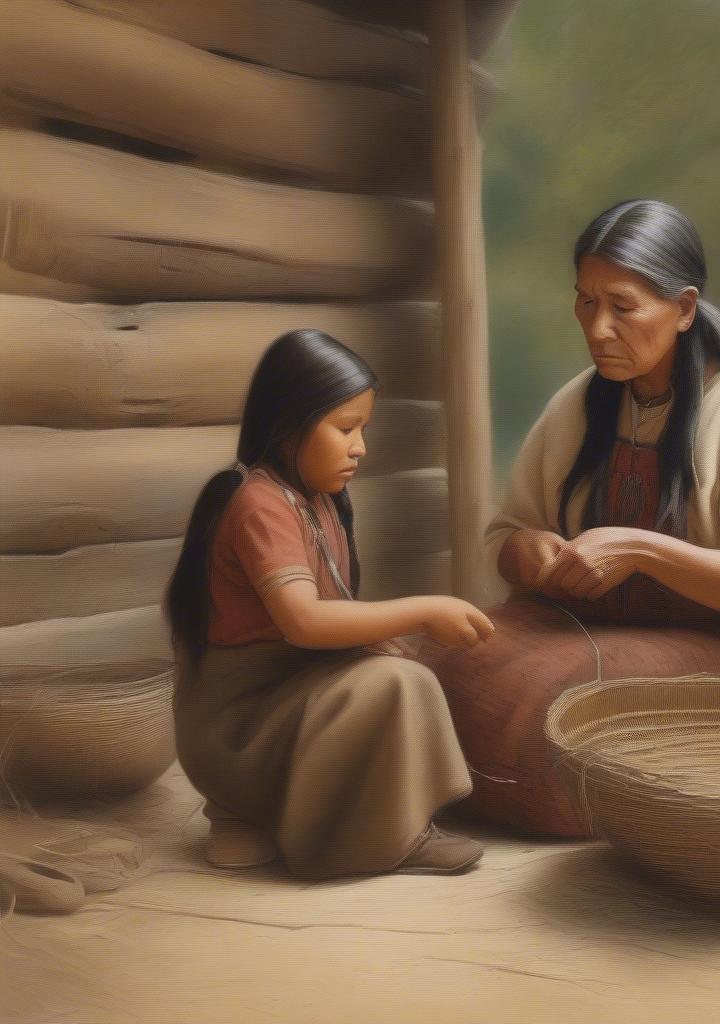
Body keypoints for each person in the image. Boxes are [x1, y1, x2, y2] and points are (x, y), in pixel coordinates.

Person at [416, 199, 720, 837]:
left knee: (547, 708)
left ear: (684, 308)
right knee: (428, 654)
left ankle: (519, 795)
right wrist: (527, 551)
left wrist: (644, 552)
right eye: (586, 302)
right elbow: (506, 533)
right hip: (598, 626)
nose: (598, 328)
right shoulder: (582, 401)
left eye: (622, 306)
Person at [164, 328, 495, 878]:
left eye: (362, 428)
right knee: (399, 684)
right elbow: (304, 620)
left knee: (395, 666)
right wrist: (422, 609)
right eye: (346, 428)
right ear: (289, 426)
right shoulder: (259, 503)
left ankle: (255, 817)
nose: (360, 446)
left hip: (279, 705)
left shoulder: (316, 500)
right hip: (240, 727)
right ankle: (373, 838)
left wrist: (374, 638)